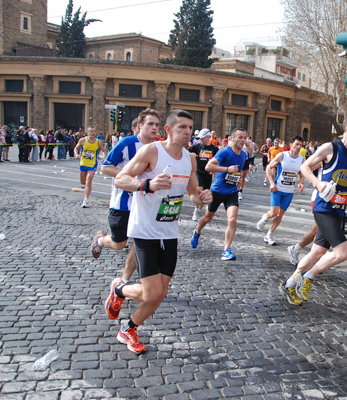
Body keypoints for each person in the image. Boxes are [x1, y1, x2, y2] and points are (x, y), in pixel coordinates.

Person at [106, 109, 212, 354]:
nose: (187, 133)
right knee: (151, 293)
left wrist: (202, 197)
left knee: (160, 293)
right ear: (168, 129)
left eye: (190, 128)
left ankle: (128, 328)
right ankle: (119, 289)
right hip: (144, 231)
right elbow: (120, 178)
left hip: (169, 231)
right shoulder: (151, 151)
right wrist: (147, 184)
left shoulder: (190, 158)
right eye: (182, 127)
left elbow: (193, 194)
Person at [279, 114, 347, 306]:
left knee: (317, 252)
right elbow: (304, 167)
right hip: (323, 208)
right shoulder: (331, 148)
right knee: (342, 253)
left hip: (339, 210)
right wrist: (317, 183)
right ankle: (308, 277)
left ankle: (289, 284)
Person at [90, 112, 157, 292]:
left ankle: (124, 280)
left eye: (157, 125)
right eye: (150, 124)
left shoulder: (157, 147)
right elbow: (105, 167)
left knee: (140, 242)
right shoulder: (126, 143)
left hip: (145, 204)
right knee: (119, 244)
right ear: (140, 125)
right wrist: (130, 177)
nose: (154, 128)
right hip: (122, 203)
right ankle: (101, 240)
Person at [190, 128, 248, 261]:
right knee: (207, 218)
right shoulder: (224, 151)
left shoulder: (243, 155)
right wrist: (227, 169)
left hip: (232, 192)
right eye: (240, 137)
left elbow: (239, 171)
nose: (243, 140)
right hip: (217, 191)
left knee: (232, 219)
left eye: (245, 137)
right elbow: (208, 167)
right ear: (232, 139)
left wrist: (238, 177)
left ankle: (226, 250)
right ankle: (197, 231)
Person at [256, 136, 305, 245]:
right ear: (291, 145)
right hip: (278, 188)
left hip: (289, 192)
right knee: (274, 213)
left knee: (280, 215)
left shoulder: (302, 159)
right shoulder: (282, 155)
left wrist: (301, 183)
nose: (298, 147)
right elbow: (269, 168)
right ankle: (265, 218)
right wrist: (272, 183)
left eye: (301, 145)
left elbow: (302, 174)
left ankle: (269, 234)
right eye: (297, 144)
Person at [188, 128, 219, 221]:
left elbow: (218, 159)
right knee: (199, 191)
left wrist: (215, 166)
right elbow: (186, 151)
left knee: (205, 194)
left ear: (208, 137)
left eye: (203, 138)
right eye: (200, 138)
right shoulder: (197, 147)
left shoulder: (214, 148)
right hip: (198, 172)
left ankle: (198, 209)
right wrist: (192, 156)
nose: (200, 139)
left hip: (208, 174)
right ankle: (196, 209)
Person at [74, 126, 107, 208]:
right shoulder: (83, 140)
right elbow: (76, 148)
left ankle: (85, 200)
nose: (93, 133)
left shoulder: (98, 142)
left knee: (89, 180)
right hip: (83, 163)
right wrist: (76, 154)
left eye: (94, 131)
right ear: (88, 132)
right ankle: (86, 190)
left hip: (92, 164)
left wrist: (104, 158)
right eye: (91, 131)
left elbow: (103, 150)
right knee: (83, 182)